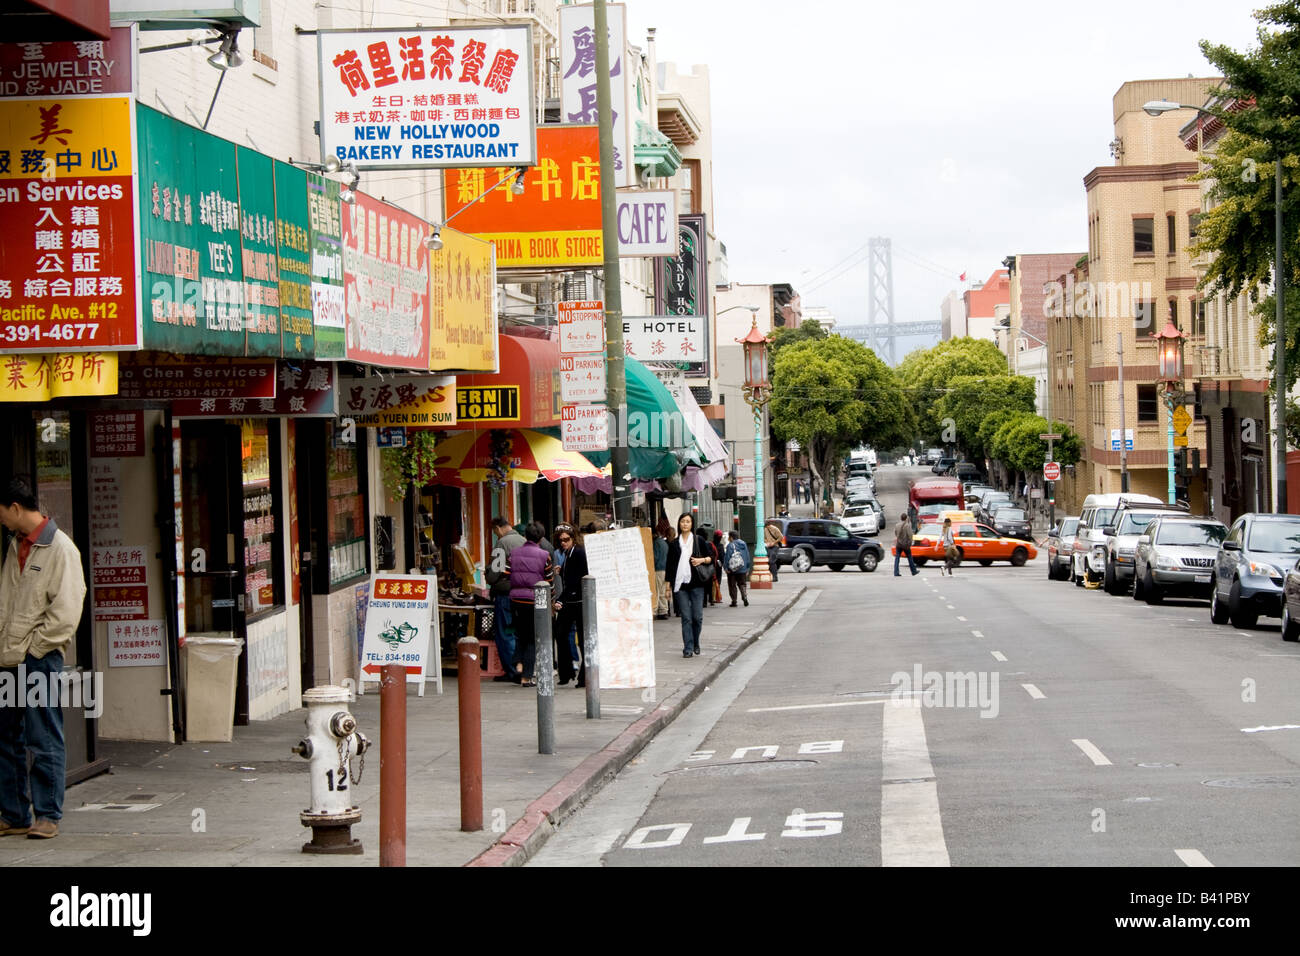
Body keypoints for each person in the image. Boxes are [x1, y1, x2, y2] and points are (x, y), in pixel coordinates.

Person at [0, 478, 87, 839]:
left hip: (38, 659)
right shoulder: (14, 545)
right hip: (8, 657)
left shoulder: (61, 548)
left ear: (16, 508)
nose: (1, 520)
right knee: (6, 737)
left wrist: (36, 649)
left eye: (2, 513)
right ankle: (14, 813)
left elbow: (67, 611)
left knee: (42, 736)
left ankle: (48, 815)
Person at [506, 524, 553, 687]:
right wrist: (551, 600)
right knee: (533, 638)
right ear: (541, 538)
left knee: (520, 634)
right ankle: (526, 676)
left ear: (525, 536)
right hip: (535, 601)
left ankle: (518, 663)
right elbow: (549, 582)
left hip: (515, 600)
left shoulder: (514, 553)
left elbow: (506, 573)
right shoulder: (545, 555)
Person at [664, 513, 712, 657]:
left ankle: (696, 642)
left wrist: (701, 560)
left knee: (697, 617)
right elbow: (670, 566)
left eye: (688, 522)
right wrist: (667, 587)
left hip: (697, 584)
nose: (685, 524)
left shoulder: (699, 540)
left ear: (692, 524)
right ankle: (688, 648)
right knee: (686, 618)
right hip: (680, 586)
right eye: (682, 521)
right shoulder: (673, 544)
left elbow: (711, 558)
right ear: (679, 524)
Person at [485, 517, 524, 683]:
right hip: (523, 593)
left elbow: (494, 572)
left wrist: (488, 575)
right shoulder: (523, 540)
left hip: (505, 593)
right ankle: (520, 667)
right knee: (517, 632)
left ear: (498, 528)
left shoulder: (502, 543)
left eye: (495, 532)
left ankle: (512, 670)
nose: (496, 535)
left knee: (506, 632)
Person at [550, 524, 588, 687]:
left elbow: (575, 580)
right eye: (561, 541)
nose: (563, 543)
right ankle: (567, 673)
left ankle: (581, 676)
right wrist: (562, 569)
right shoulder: (569, 553)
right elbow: (571, 575)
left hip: (577, 601)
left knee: (581, 637)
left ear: (573, 538)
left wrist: (560, 600)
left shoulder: (578, 553)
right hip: (571, 600)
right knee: (561, 632)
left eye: (566, 539)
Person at [724, 531, 751, 607]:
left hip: (732, 569)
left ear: (731, 537)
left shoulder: (730, 545)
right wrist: (747, 567)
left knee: (732, 585)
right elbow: (747, 555)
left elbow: (727, 557)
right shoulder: (744, 544)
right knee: (742, 584)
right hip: (742, 568)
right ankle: (744, 596)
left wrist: (726, 567)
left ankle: (734, 601)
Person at [653, 518, 671, 620]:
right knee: (663, 590)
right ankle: (664, 610)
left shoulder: (656, 543)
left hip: (658, 569)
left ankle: (659, 610)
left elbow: (654, 557)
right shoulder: (664, 543)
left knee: (658, 591)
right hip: (665, 569)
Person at [894, 511, 919, 577]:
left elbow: (896, 533)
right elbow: (910, 535)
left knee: (897, 558)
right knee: (910, 557)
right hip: (905, 544)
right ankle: (913, 571)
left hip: (899, 544)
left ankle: (896, 572)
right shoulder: (907, 525)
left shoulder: (897, 525)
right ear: (906, 518)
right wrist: (910, 542)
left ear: (901, 518)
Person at [710, 530, 725, 606]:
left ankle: (711, 598)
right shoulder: (721, 546)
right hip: (718, 566)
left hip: (710, 565)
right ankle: (716, 597)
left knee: (711, 581)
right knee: (717, 581)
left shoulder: (710, 544)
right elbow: (723, 557)